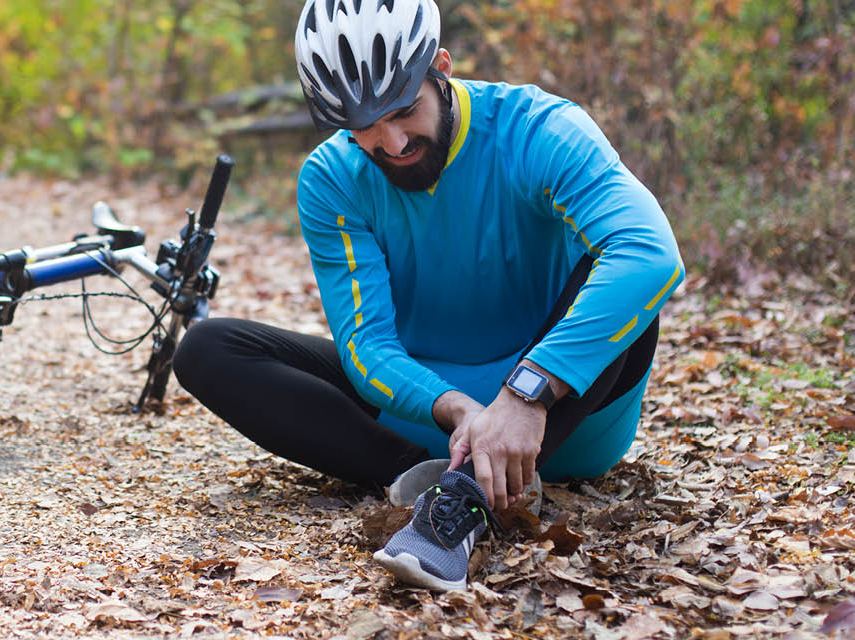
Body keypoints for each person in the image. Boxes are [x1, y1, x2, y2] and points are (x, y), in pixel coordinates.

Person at [173, 0, 684, 591]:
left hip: (559, 415)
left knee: (620, 280)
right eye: (361, 126)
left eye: (404, 110)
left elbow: (650, 252)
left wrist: (524, 396)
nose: (390, 143)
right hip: (430, 418)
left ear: (440, 66)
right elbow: (365, 346)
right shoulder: (332, 177)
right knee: (209, 349)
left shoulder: (538, 128)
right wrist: (458, 409)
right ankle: (437, 485)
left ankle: (467, 498)